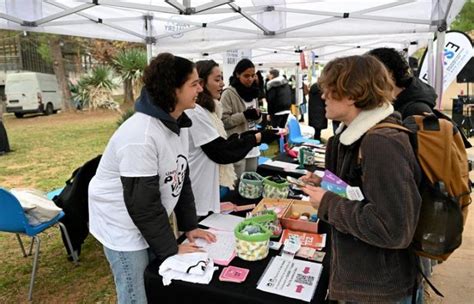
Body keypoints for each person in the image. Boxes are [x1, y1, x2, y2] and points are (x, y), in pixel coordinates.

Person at [88, 53, 216, 304]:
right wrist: (171, 248)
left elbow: (181, 176)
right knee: (137, 292)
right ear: (172, 90)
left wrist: (190, 225)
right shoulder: (141, 135)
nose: (201, 88)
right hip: (121, 223)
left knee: (156, 282)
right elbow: (142, 203)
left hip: (144, 214)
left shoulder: (179, 123)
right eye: (194, 83)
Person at [301, 55, 423, 303]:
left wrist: (327, 202)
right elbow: (358, 191)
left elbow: (394, 229)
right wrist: (325, 183)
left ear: (352, 94)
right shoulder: (348, 136)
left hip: (379, 290)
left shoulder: (381, 142)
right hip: (362, 278)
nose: (322, 96)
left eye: (329, 90)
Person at [186, 60, 279, 216]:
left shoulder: (209, 109)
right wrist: (253, 136)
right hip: (200, 188)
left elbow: (220, 142)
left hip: (210, 183)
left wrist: (253, 132)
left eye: (252, 75)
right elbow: (220, 150)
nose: (222, 83)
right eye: (217, 79)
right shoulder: (197, 112)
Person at [221, 58, 262, 179]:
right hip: (237, 145)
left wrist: (258, 116)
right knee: (238, 183)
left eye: (253, 75)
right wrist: (245, 115)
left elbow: (257, 120)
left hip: (253, 145)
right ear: (237, 74)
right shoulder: (228, 93)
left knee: (251, 181)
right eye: (246, 76)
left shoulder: (254, 93)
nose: (250, 79)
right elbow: (224, 121)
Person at [368, 47, 436, 118]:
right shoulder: (395, 103)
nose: (367, 79)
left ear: (389, 73)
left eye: (371, 73)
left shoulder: (416, 110)